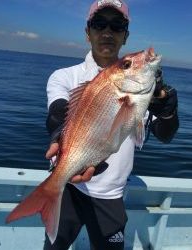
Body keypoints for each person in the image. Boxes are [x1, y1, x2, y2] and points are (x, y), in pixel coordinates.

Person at [44, 1, 179, 249]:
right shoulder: (64, 76)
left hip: (110, 195)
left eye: (117, 25)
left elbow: (164, 134)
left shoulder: (143, 91)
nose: (107, 32)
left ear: (125, 36)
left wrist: (168, 112)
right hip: (68, 187)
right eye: (99, 24)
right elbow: (57, 114)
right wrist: (57, 134)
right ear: (88, 33)